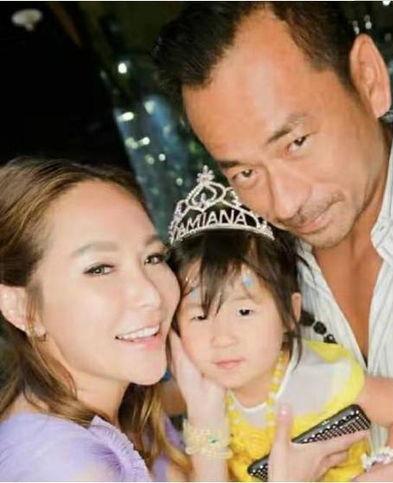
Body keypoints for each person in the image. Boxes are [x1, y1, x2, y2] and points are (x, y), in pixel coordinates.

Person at [152, 2, 393, 481]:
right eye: (245, 173)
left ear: (368, 79)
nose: (285, 202)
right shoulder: (257, 263)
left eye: (295, 142)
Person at [0, 156, 364, 482]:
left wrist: (206, 416)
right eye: (100, 268)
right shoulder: (54, 465)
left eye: (153, 258)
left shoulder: (131, 408)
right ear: (21, 307)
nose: (151, 293)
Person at [167, 166, 393, 481]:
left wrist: (383, 472)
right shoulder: (201, 393)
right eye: (199, 316)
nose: (222, 338)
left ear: (289, 312)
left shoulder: (319, 377)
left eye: (244, 311)